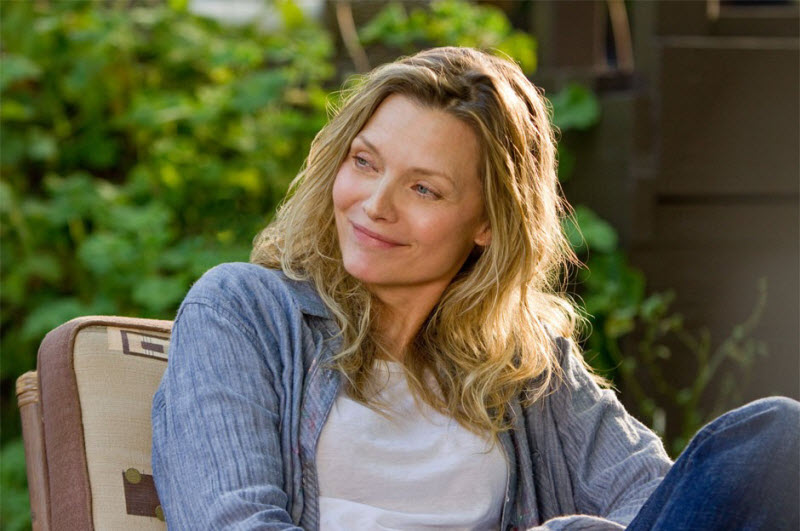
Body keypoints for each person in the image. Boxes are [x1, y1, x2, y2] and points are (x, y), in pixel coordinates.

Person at [151, 47, 799, 530]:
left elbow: (657, 500)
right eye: (365, 162)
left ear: (488, 223)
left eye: (423, 188)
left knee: (776, 443)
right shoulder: (243, 311)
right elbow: (232, 521)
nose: (374, 205)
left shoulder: (524, 366)